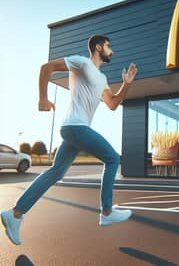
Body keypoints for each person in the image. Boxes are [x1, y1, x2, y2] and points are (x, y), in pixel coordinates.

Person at [0, 34, 137, 245]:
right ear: (98, 47)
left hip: (75, 131)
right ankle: (107, 211)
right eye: (109, 47)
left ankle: (15, 213)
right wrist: (43, 98)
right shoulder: (81, 63)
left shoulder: (102, 79)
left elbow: (112, 104)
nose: (112, 51)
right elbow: (47, 68)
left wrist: (126, 84)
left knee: (55, 173)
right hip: (75, 126)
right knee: (112, 159)